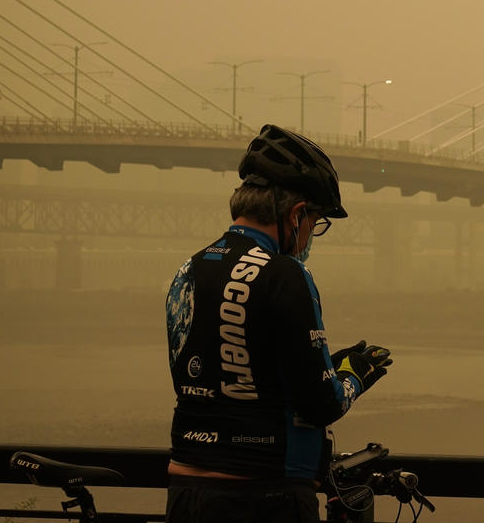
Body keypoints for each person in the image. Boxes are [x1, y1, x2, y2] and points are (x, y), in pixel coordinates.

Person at [165, 123, 392, 523]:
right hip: (265, 494)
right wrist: (354, 375)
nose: (309, 238)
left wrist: (324, 367)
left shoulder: (190, 268)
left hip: (186, 489)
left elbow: (227, 375)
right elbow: (322, 404)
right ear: (297, 214)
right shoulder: (284, 273)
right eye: (315, 222)